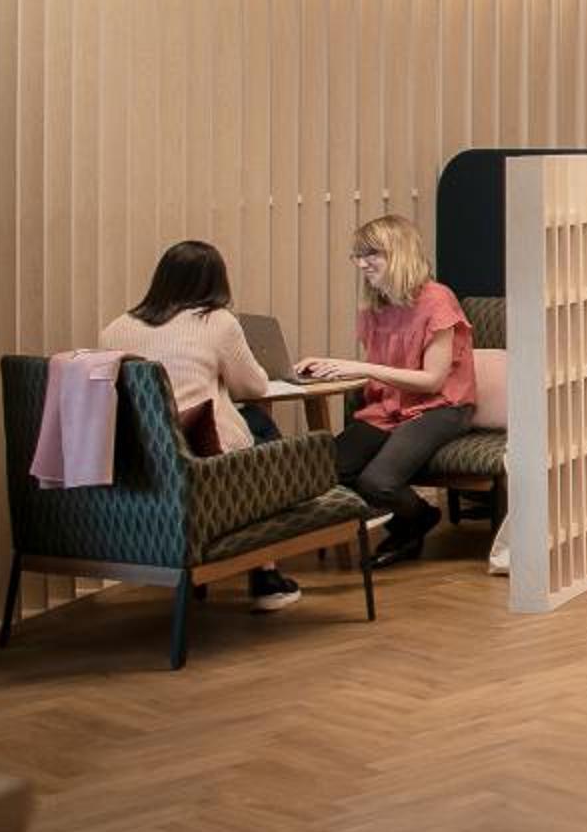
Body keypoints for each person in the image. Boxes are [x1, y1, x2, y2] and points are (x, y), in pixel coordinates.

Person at [97, 239, 302, 610]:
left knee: (257, 432)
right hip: (200, 449)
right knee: (266, 442)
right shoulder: (217, 321)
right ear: (216, 283)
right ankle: (266, 576)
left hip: (140, 453)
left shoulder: (114, 329)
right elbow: (253, 387)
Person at [296, 215, 475, 569]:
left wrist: (361, 368)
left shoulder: (438, 300)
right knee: (326, 469)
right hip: (390, 405)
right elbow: (384, 369)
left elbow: (432, 381)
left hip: (440, 407)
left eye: (371, 254)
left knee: (378, 482)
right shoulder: (377, 305)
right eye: (358, 256)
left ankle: (414, 522)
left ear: (399, 253)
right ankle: (416, 518)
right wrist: (327, 366)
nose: (362, 264)